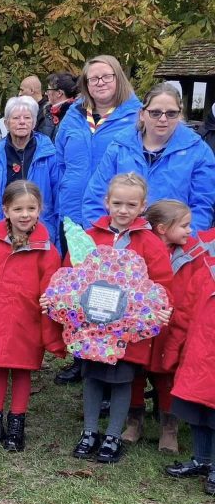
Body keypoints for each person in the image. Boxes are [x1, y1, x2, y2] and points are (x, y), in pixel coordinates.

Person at [64, 173, 173, 464]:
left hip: (127, 331)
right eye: (117, 203)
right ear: (106, 202)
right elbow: (72, 274)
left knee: (123, 379)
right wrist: (59, 298)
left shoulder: (149, 242)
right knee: (92, 377)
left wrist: (162, 306)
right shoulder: (91, 236)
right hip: (92, 327)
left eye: (131, 204)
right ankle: (89, 432)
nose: (123, 210)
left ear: (142, 206)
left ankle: (113, 435)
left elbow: (162, 282)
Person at [0, 181, 63, 452]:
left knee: (22, 371)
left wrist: (50, 324)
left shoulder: (47, 251)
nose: (25, 215)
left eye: (31, 208)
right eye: (18, 209)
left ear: (40, 210)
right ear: (6, 210)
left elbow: (51, 290)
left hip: (26, 323)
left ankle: (16, 423)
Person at [123, 201, 206, 454]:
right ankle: (134, 421)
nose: (189, 231)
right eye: (184, 226)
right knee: (134, 375)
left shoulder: (192, 254)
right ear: (161, 228)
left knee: (165, 377)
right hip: (138, 324)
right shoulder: (141, 247)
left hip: (170, 326)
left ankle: (168, 428)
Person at [82, 83, 215, 231]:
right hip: (120, 242)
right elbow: (95, 197)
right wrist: (103, 239)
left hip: (172, 245)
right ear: (142, 114)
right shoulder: (119, 147)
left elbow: (202, 207)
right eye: (155, 113)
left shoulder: (199, 152)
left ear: (180, 115)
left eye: (171, 113)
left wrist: (183, 244)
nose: (163, 119)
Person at [54, 55, 142, 230]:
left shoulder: (138, 117)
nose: (100, 82)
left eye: (107, 77)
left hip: (115, 218)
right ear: (86, 84)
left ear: (119, 78)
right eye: (93, 79)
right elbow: (60, 162)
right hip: (72, 215)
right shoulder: (73, 116)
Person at [162, 257, 215, 494]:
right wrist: (172, 352)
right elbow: (183, 316)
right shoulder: (205, 272)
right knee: (198, 413)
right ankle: (201, 459)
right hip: (197, 360)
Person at [0, 96, 61, 244]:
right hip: (4, 232)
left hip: (42, 230)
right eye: (16, 118)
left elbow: (58, 197)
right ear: (6, 123)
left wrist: (56, 238)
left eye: (27, 118)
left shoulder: (50, 154)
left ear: (33, 123)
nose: (22, 122)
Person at [38, 72, 78, 140]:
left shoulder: (74, 116)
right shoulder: (48, 112)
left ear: (59, 93)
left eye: (48, 89)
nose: (46, 93)